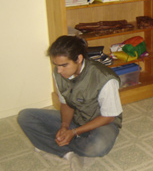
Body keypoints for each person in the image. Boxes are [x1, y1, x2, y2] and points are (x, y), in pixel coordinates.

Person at [17, 35, 123, 171]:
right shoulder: (59, 73)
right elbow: (65, 103)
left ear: (79, 59)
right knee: (25, 116)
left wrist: (73, 132)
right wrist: (64, 126)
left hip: (102, 123)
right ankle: (68, 153)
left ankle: (51, 144)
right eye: (56, 65)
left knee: (98, 147)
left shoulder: (105, 78)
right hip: (77, 118)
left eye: (64, 65)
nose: (59, 70)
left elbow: (109, 117)